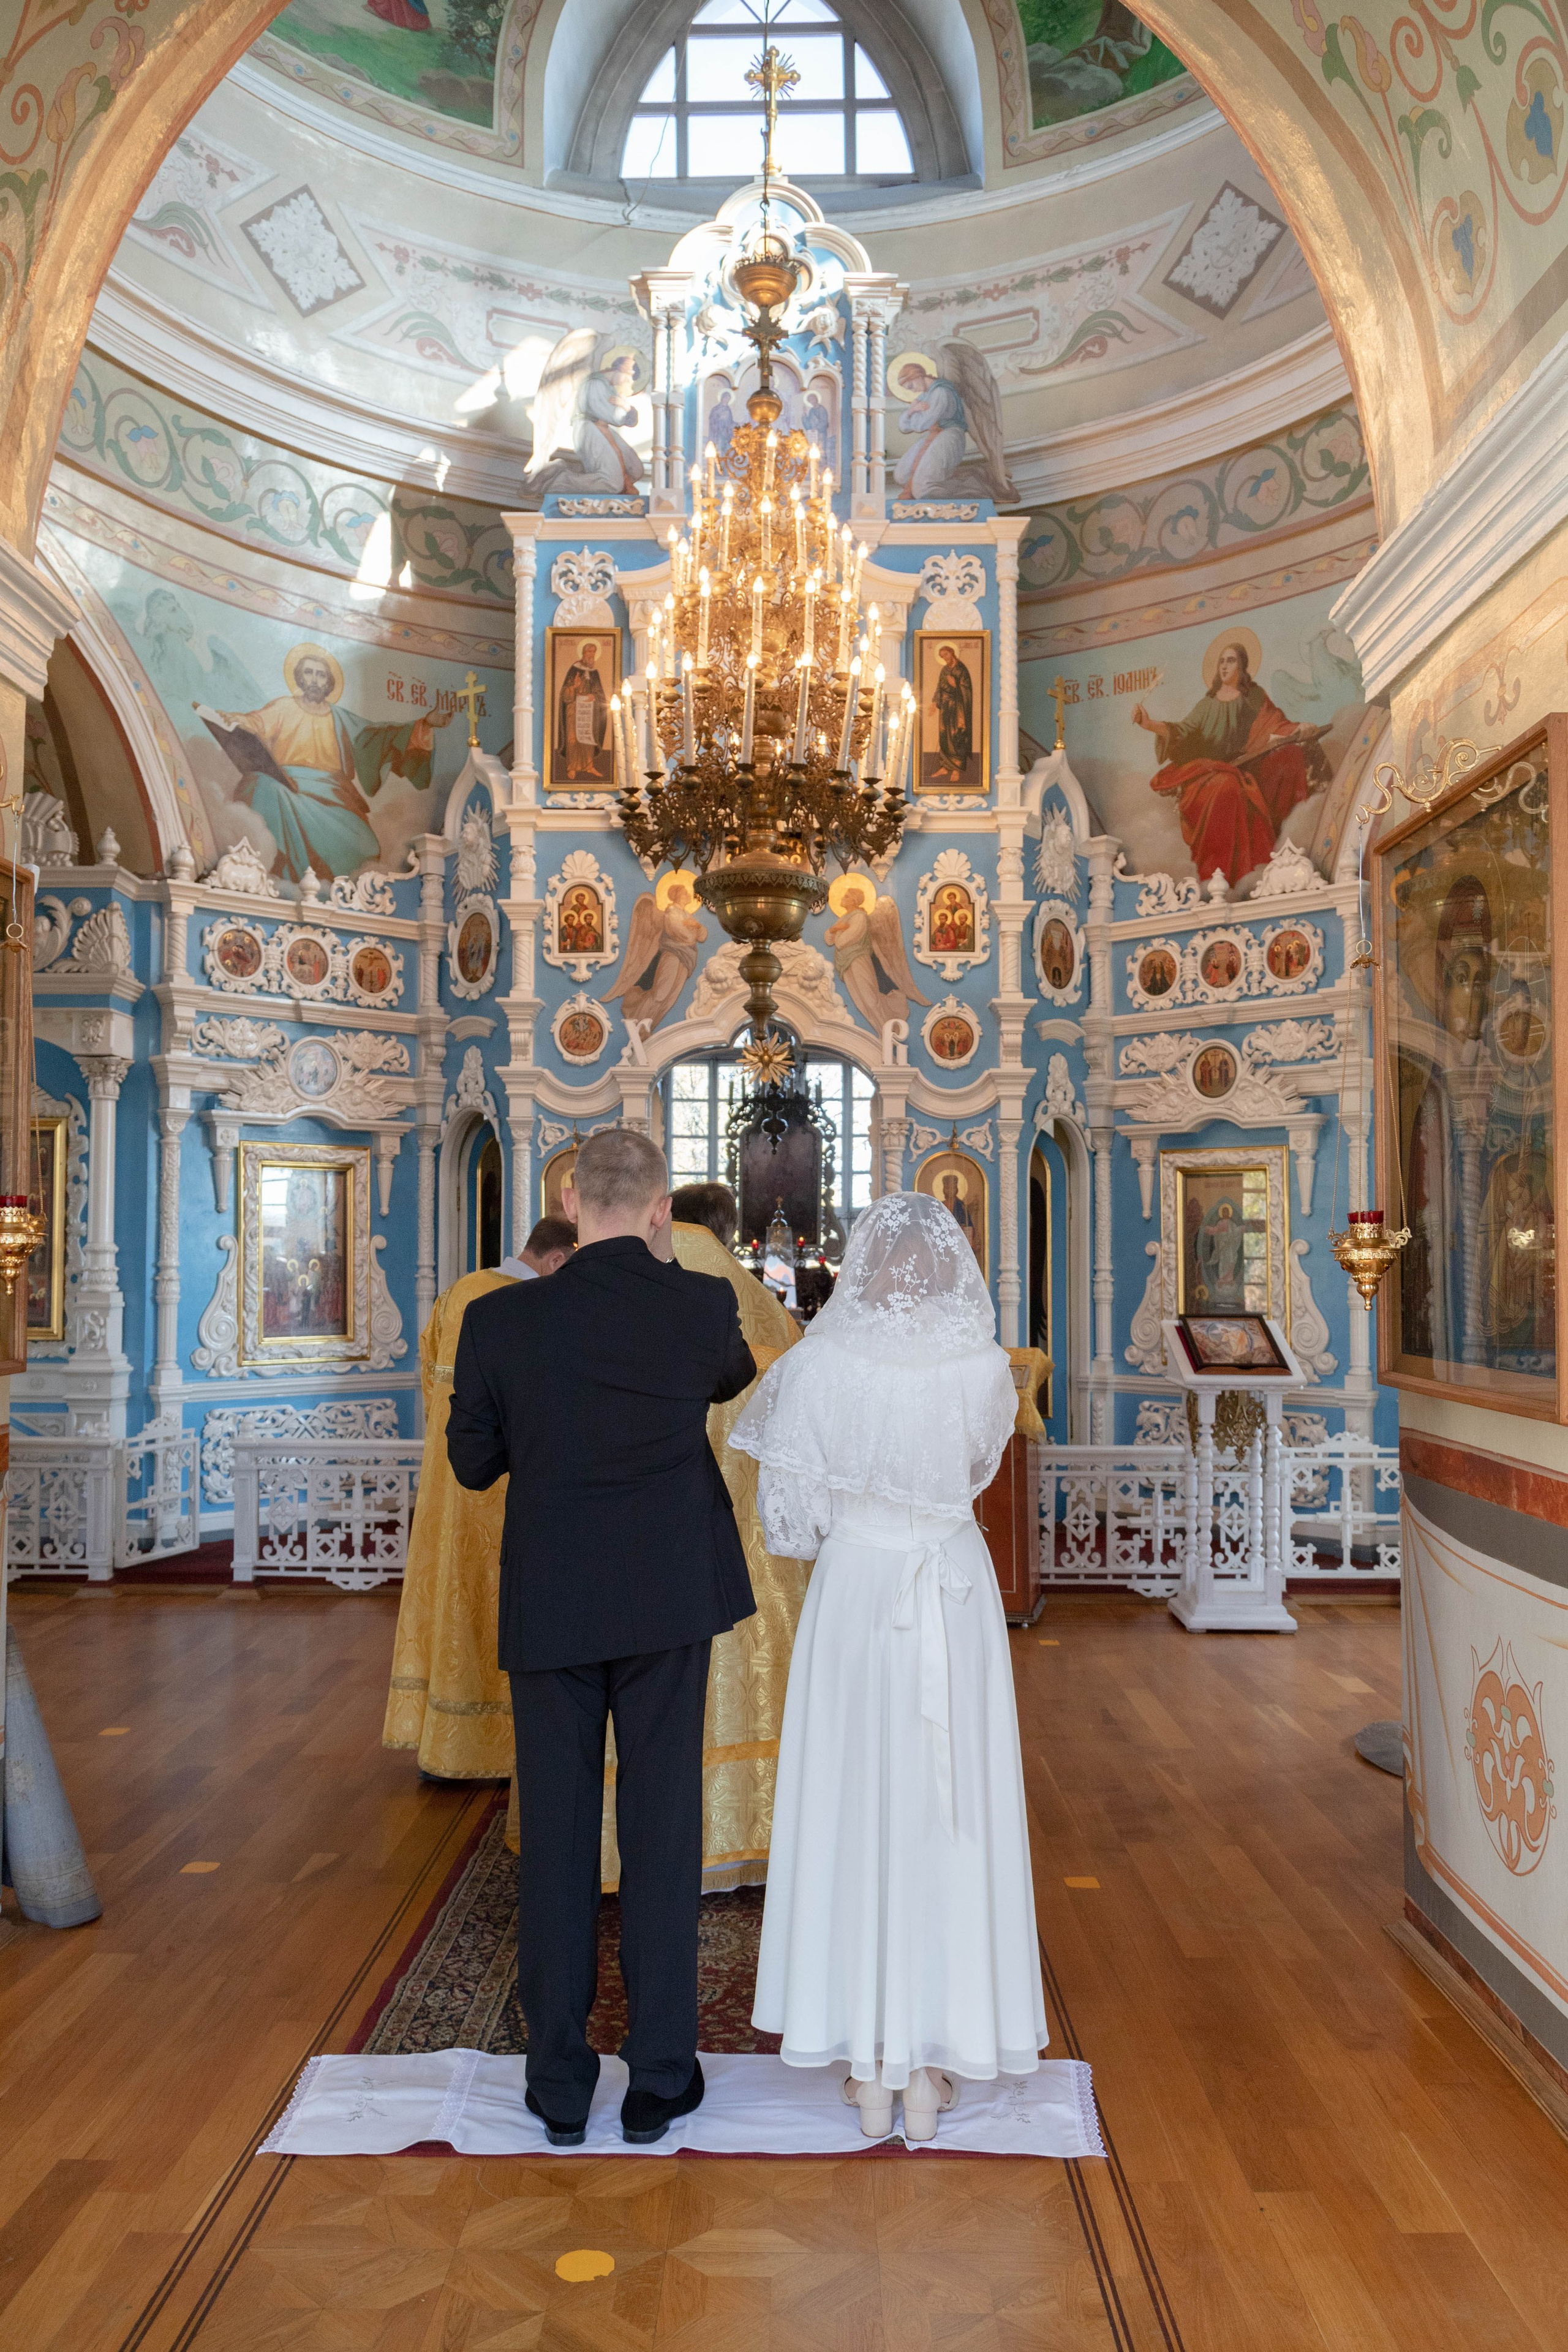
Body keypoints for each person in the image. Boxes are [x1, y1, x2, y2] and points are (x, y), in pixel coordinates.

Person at [447, 1129, 757, 2147]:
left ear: (571, 1204)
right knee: (664, 1827)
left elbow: (473, 1463)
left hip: (554, 1595)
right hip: (669, 1592)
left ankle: (560, 2082)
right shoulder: (701, 1303)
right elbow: (728, 1378)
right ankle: (661, 2076)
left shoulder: (500, 1319)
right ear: (662, 1209)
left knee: (560, 1832)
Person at [729, 1191, 1047, 2144]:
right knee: (949, 1813)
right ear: (951, 1270)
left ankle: (869, 2067)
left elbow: (791, 1526)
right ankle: (935, 2059)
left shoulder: (816, 1367)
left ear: (863, 1267)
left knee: (854, 1801)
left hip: (858, 1592)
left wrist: (857, 1521)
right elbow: (974, 1473)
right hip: (952, 1585)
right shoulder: (983, 1368)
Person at [383, 1218, 578, 1782]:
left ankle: (448, 1745)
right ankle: (503, 1747)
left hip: (450, 1480)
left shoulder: (457, 1294)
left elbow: (430, 1387)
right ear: (557, 1260)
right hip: (507, 1481)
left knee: (453, 1600)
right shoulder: (532, 1307)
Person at [1132, 641, 1327, 889]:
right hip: (1211, 770)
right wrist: (1149, 724)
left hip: (1248, 764)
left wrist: (1298, 729)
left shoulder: (1254, 697)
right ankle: (1226, 875)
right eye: (1222, 662)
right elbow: (1182, 732)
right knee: (1228, 787)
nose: (1225, 666)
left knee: (1289, 757)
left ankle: (1287, 845)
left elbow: (1275, 724)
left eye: (1231, 660)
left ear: (1242, 665)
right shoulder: (1207, 704)